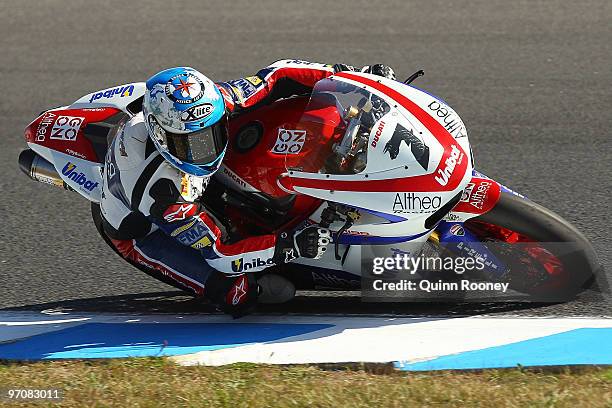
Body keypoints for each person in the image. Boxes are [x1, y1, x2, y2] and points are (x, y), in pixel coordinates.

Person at [99, 60, 395, 316]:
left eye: (213, 131)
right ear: (162, 137)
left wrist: (346, 75)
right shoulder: (163, 193)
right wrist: (289, 244)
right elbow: (220, 250)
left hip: (196, 187)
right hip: (146, 233)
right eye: (191, 143)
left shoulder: (211, 102)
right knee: (237, 294)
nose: (206, 148)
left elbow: (276, 76)